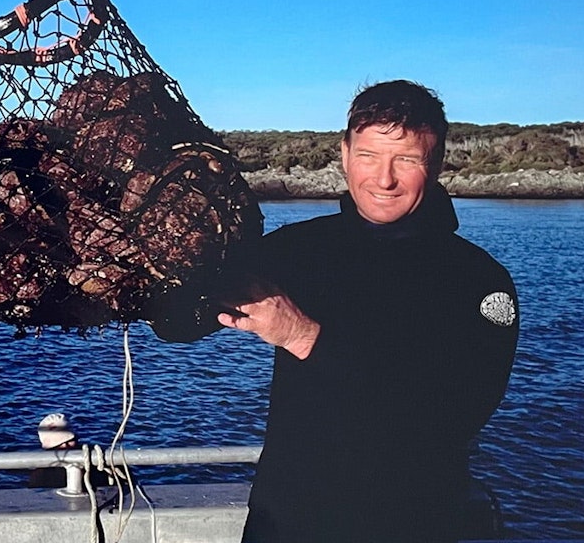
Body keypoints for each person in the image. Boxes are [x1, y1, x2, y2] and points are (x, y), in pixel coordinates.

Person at [216, 80, 519, 542]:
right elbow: (181, 322)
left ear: (436, 163)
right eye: (369, 156)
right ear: (343, 153)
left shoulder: (478, 282)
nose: (383, 179)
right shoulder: (297, 250)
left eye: (406, 160)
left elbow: (451, 415)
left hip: (410, 525)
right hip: (282, 524)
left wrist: (305, 337)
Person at [27, 413, 111, 489]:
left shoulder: (96, 460)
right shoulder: (40, 476)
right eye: (58, 444)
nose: (65, 446)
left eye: (69, 441)